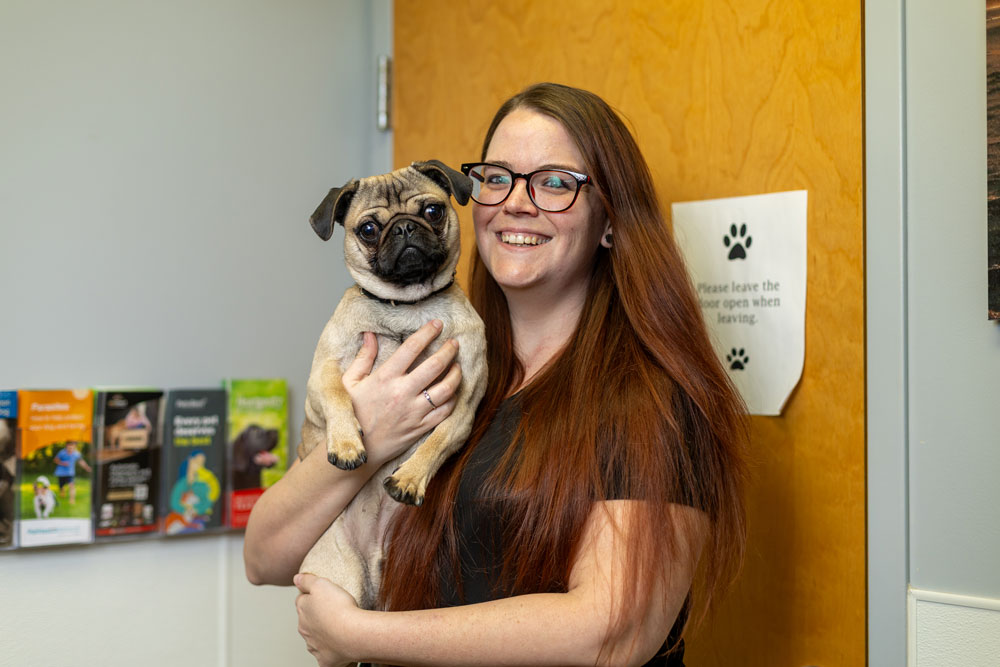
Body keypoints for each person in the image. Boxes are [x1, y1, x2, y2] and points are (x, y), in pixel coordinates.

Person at [244, 82, 748, 667]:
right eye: (498, 178)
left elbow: (613, 633)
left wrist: (359, 634)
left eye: (554, 182)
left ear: (611, 219)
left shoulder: (655, 399)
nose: (516, 203)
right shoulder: (429, 376)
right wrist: (374, 432)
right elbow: (265, 558)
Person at [53, 441, 91, 505]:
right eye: (69, 448)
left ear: (74, 447)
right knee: (61, 486)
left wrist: (87, 467)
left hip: (70, 473)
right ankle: (62, 491)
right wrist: (62, 463)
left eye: (72, 448)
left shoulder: (76, 454)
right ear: (66, 446)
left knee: (72, 486)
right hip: (61, 473)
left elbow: (81, 461)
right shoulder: (62, 452)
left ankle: (72, 500)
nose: (70, 449)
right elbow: (55, 460)